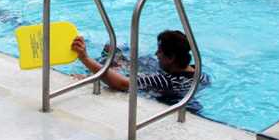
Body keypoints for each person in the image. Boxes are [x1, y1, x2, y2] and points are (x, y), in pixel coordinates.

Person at [71, 31, 206, 106]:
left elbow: (124, 84)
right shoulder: (199, 74)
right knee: (115, 53)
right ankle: (117, 60)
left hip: (160, 94)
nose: (156, 54)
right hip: (167, 87)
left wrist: (85, 59)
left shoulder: (166, 81)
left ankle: (106, 65)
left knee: (112, 56)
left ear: (171, 58)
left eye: (159, 52)